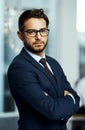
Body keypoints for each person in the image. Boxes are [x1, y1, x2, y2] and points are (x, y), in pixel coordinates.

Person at [7, 8, 80, 130]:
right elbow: (52, 111)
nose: (38, 37)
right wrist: (68, 99)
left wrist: (64, 102)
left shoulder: (53, 63)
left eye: (43, 30)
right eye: (31, 32)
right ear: (20, 35)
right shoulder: (19, 68)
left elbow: (76, 99)